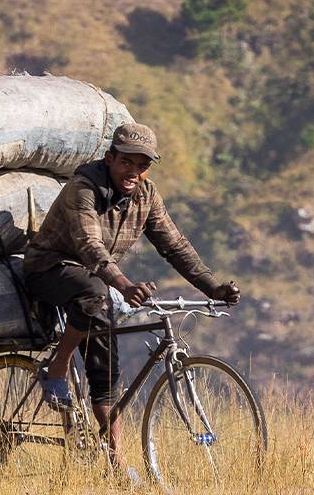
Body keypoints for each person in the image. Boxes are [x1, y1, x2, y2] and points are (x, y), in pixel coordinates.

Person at [22, 123, 239, 457]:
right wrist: (123, 285)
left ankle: (116, 461)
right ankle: (58, 366)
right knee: (96, 293)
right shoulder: (84, 189)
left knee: (107, 371)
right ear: (110, 158)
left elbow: (175, 245)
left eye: (143, 165)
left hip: (97, 282)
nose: (134, 172)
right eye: (127, 162)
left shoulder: (146, 195)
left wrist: (213, 287)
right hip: (50, 269)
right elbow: (89, 245)